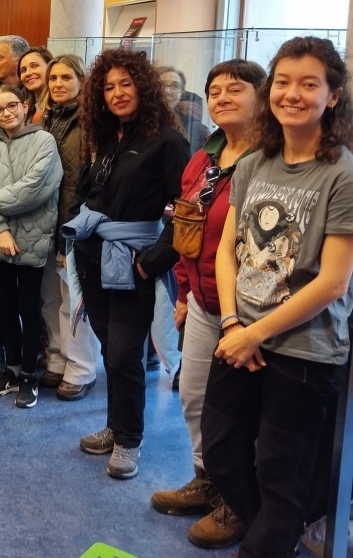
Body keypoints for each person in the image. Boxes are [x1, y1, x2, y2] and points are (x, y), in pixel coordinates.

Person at [202, 37, 353, 558]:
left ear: (332, 96)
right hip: (240, 335)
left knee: (279, 471)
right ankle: (279, 528)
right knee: (222, 451)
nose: (292, 94)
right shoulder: (253, 164)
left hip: (303, 347)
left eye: (309, 84)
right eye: (283, 82)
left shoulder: (342, 173)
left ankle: (272, 537)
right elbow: (229, 253)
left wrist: (255, 334)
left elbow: (333, 281)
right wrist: (230, 325)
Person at [149, 59, 266, 550]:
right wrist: (181, 288)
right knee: (194, 398)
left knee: (240, 413)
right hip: (201, 300)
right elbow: (185, 226)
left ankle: (240, 502)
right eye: (214, 90)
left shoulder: (268, 161)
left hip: (256, 314)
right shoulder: (205, 156)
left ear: (262, 97)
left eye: (234, 90)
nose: (220, 97)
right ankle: (208, 479)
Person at [65, 49, 190, 480]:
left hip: (134, 260)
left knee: (122, 354)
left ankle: (130, 440)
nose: (117, 93)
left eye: (126, 84)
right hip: (92, 256)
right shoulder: (103, 136)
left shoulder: (168, 141)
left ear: (144, 86)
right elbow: (87, 193)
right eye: (108, 86)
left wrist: (151, 263)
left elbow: (187, 212)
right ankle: (115, 427)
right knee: (110, 351)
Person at [0, 85, 63, 409]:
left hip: (34, 237)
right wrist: (0, 230)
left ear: (25, 106)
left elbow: (35, 189)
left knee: (29, 309)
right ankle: (11, 371)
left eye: (12, 105)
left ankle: (29, 374)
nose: (6, 112)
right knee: (5, 309)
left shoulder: (44, 141)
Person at [38, 54, 100, 402]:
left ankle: (81, 368)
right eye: (53, 79)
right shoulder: (47, 119)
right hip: (45, 224)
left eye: (66, 78)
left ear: (81, 80)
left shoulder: (90, 122)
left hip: (75, 223)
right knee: (49, 298)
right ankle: (58, 358)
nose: (58, 84)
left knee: (74, 300)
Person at [159, 66, 211, 156]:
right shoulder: (142, 120)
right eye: (162, 85)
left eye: (175, 86)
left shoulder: (195, 127)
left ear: (182, 93)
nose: (167, 91)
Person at [19, 47, 55, 124]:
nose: (28, 73)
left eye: (34, 66)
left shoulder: (60, 107)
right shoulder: (23, 109)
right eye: (23, 70)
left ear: (50, 67)